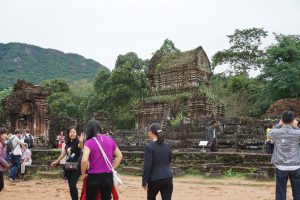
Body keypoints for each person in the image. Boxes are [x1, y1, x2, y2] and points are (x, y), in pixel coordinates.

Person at [81, 119, 123, 200]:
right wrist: (111, 167)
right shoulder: (110, 140)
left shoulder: (89, 142)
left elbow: (84, 160)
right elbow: (119, 156)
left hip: (93, 176)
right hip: (107, 176)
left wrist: (83, 174)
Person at [268, 110, 300, 200]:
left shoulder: (275, 132)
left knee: (280, 193)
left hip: (281, 165)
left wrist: (279, 124)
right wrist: (296, 127)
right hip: (296, 165)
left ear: (282, 119)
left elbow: (269, 133)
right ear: (293, 120)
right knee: (298, 192)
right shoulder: (298, 132)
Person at [51, 127, 84, 200]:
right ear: (68, 134)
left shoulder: (78, 143)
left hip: (76, 167)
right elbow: (63, 154)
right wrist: (56, 161)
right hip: (68, 166)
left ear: (76, 134)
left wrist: (81, 141)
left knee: (72, 185)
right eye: (70, 132)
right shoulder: (68, 144)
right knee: (70, 185)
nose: (72, 134)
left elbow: (81, 146)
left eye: (74, 132)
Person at [142, 123, 173, 200]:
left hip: (154, 179)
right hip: (167, 178)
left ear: (151, 132)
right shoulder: (167, 146)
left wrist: (144, 181)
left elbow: (147, 166)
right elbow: (168, 162)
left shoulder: (149, 147)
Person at [0, 127, 9, 192]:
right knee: (1, 185)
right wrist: (6, 164)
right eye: (5, 134)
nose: (6, 135)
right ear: (1, 135)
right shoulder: (0, 144)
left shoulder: (2, 144)